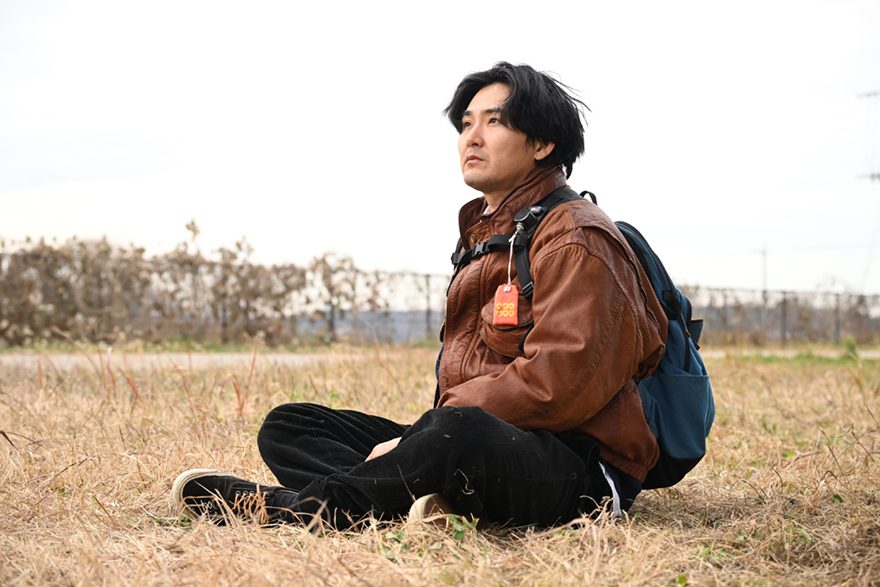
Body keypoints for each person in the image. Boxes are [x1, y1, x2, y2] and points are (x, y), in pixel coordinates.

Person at [171, 62, 668, 529]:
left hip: (577, 466)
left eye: (494, 122)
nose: (472, 136)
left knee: (453, 436)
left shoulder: (576, 236)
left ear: (541, 143)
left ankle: (308, 510)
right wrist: (422, 436)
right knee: (291, 425)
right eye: (466, 123)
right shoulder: (488, 234)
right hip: (480, 438)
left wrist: (428, 432)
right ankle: (417, 498)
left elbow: (562, 384)